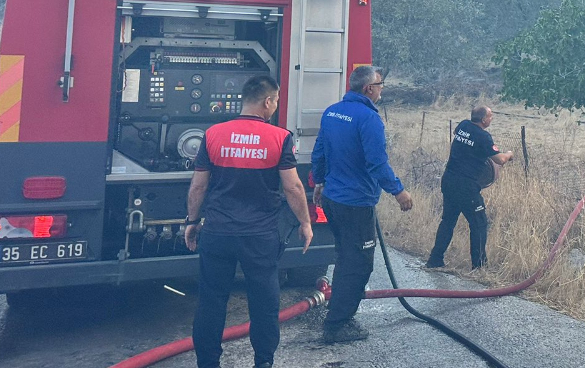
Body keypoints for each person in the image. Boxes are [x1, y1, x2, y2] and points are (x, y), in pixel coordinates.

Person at [184, 75, 312, 368]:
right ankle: (263, 362)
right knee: (264, 305)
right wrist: (305, 223)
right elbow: (292, 188)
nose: (276, 106)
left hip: (217, 233)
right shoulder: (279, 138)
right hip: (260, 237)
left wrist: (192, 221)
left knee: (211, 302)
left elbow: (198, 186)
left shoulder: (213, 134)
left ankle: (207, 363)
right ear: (267, 102)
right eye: (276, 101)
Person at [310, 65, 414, 344]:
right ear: (369, 89)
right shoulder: (369, 119)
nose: (382, 89)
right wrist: (399, 191)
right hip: (355, 204)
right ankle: (337, 325)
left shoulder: (332, 112)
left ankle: (340, 313)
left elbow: (319, 151)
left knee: (345, 258)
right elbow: (376, 162)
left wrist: (318, 182)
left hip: (332, 200)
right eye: (380, 84)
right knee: (358, 264)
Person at [426, 106, 514, 271]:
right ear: (483, 120)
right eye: (490, 116)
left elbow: (468, 145)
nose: (492, 119)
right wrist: (509, 154)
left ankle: (434, 259)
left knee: (448, 221)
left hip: (449, 180)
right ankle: (479, 267)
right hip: (466, 186)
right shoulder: (484, 137)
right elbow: (500, 160)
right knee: (479, 224)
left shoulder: (463, 126)